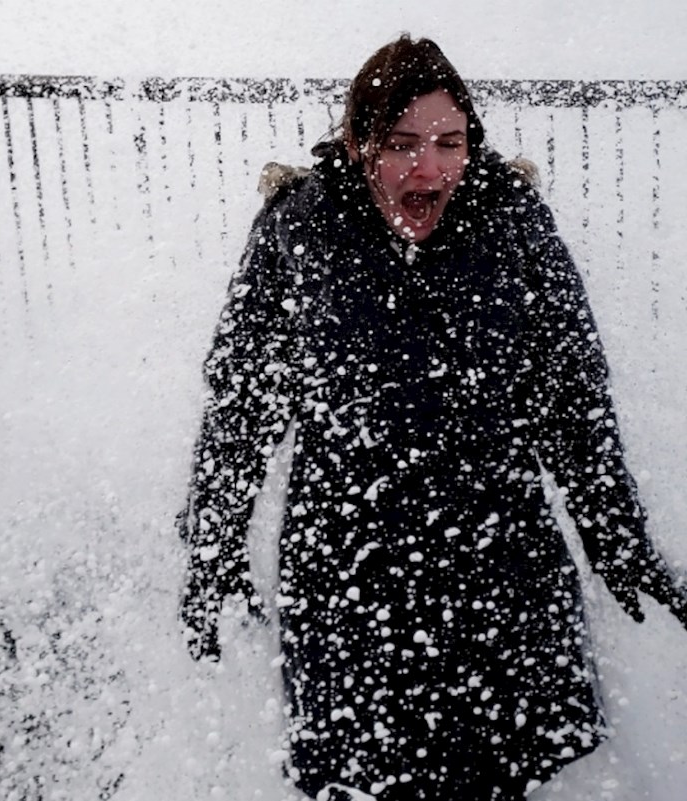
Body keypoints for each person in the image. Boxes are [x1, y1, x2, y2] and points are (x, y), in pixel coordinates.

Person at [177, 34, 687, 801]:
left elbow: (573, 399)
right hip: (350, 573)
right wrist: (214, 541)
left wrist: (614, 534)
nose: (429, 167)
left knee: (496, 778)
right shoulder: (299, 228)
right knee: (366, 780)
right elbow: (243, 401)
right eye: (403, 144)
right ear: (357, 145)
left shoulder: (514, 222)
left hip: (495, 562)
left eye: (450, 143)